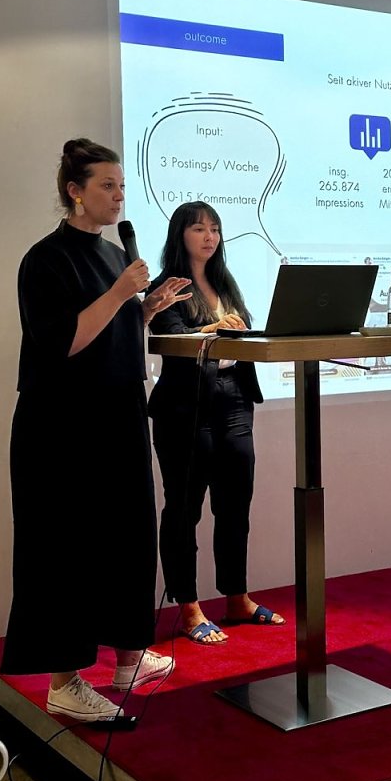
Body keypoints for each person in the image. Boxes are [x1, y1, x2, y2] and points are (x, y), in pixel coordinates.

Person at [1, 139, 191, 722]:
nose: (118, 196)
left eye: (122, 186)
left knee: (128, 538)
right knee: (66, 549)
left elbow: (112, 331)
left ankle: (129, 658)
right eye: (107, 185)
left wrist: (146, 309)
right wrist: (121, 293)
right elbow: (64, 341)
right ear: (74, 192)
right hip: (62, 429)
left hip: (118, 418)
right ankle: (65, 682)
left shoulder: (114, 256)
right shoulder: (46, 259)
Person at [147, 202, 284, 646]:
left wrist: (233, 329)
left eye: (215, 229)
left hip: (234, 398)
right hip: (186, 406)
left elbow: (239, 335)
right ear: (179, 235)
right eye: (199, 229)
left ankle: (237, 598)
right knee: (184, 509)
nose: (209, 237)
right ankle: (188, 607)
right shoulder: (166, 287)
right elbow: (168, 339)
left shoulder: (225, 281)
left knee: (235, 505)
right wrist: (214, 330)